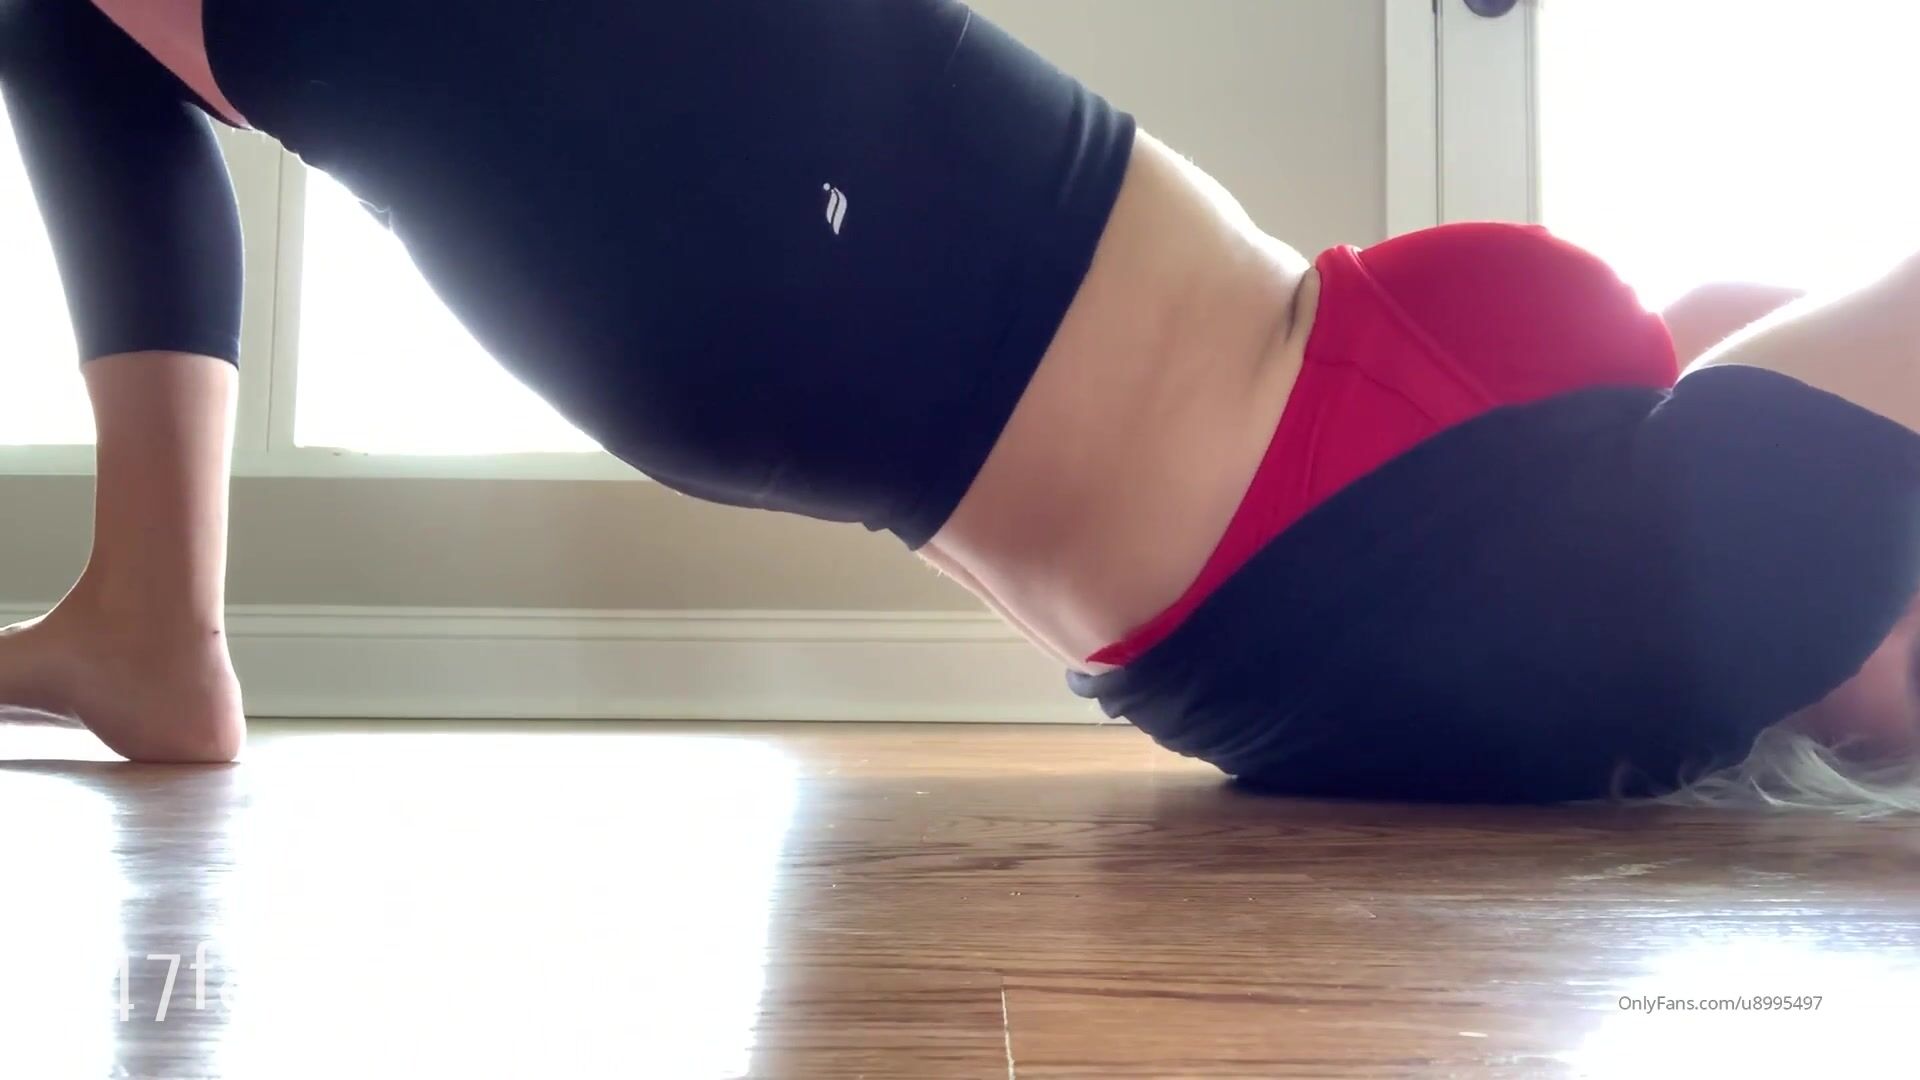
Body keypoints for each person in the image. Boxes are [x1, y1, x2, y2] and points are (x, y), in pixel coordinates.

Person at [4, 0, 1919, 813]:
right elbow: (1727, 321)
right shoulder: (1607, 609)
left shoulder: (1684, 618)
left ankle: (159, 622)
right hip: (818, 284)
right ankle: (153, 617)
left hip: (835, 235)